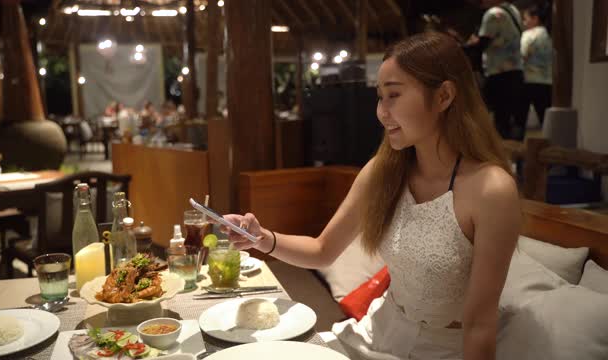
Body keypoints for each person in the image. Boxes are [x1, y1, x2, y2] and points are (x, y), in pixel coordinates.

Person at [220, 32, 520, 359]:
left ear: (444, 96)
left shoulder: (491, 190)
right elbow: (322, 250)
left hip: (444, 350)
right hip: (376, 333)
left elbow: (479, 324)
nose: (381, 112)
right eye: (380, 97)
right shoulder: (384, 170)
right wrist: (262, 238)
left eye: (393, 95)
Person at [466, 0, 525, 140]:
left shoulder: (493, 14)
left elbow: (482, 44)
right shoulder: (513, 10)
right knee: (510, 118)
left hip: (498, 73)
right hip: (515, 70)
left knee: (496, 117)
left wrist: (465, 45)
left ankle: (498, 154)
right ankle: (513, 157)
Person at [520, 4, 552, 127]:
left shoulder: (528, 35)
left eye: (526, 18)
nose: (524, 22)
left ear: (535, 18)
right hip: (547, 81)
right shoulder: (550, 35)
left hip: (529, 80)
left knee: (521, 118)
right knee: (545, 119)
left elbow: (522, 55)